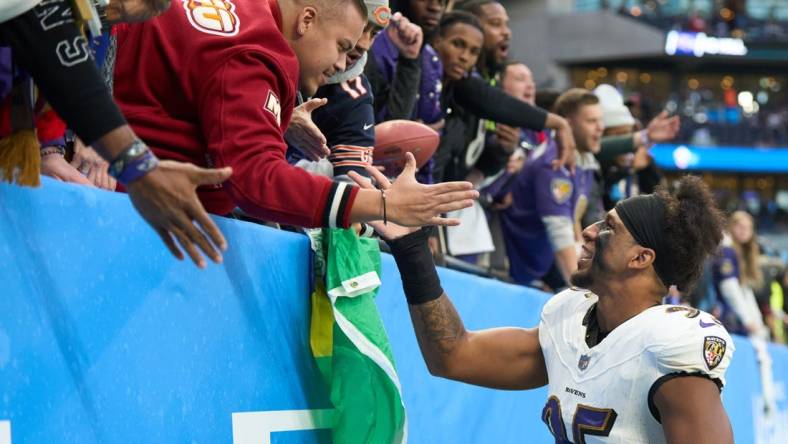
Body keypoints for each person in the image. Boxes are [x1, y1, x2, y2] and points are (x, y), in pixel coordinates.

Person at [351, 168, 735, 444]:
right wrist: (412, 248)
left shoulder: (669, 346)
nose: (587, 231)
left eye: (608, 227)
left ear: (640, 258)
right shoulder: (572, 319)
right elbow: (453, 356)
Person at [113, 1, 477, 240]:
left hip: (105, 169)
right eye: (342, 46)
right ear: (306, 19)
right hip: (119, 209)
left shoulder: (242, 13)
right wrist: (383, 204)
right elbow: (256, 179)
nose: (341, 65)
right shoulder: (258, 50)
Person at [1, 0, 233, 269]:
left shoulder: (101, 17)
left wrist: (46, 150)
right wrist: (139, 168)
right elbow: (51, 42)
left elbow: (53, 58)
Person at [501, 89, 603, 289]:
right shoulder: (554, 162)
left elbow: (573, 221)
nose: (600, 128)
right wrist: (582, 292)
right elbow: (560, 234)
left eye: (601, 120)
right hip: (523, 270)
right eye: (591, 121)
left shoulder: (584, 161)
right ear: (569, 124)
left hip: (542, 266)